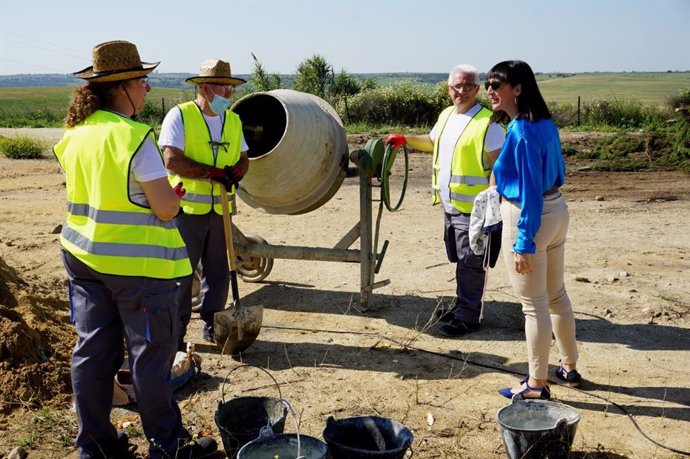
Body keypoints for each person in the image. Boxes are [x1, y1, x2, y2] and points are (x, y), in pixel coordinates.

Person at [54, 40, 217, 458]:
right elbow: (165, 207)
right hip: (139, 269)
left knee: (92, 353)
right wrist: (173, 198)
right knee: (150, 359)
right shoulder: (133, 138)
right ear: (122, 87)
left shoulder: (75, 133)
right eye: (142, 81)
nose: (147, 88)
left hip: (84, 260)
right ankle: (168, 445)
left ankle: (96, 446)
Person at [485, 60, 582, 399]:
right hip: (557, 210)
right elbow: (557, 171)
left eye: (497, 84)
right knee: (556, 295)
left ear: (518, 88)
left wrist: (523, 241)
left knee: (534, 304)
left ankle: (536, 384)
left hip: (530, 216)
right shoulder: (545, 125)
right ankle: (568, 366)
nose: (491, 91)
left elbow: (528, 192)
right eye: (489, 84)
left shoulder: (522, 132)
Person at [385, 64, 505, 337]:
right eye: (456, 86)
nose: (461, 91)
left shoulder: (490, 123)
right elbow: (431, 141)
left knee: (471, 262)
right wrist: (405, 139)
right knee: (460, 258)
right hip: (451, 206)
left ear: (476, 89)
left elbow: (500, 165)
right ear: (449, 89)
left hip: (475, 209)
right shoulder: (447, 116)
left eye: (467, 86)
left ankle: (468, 316)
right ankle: (462, 305)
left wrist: (492, 207)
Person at [159, 59, 249, 348]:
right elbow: (171, 159)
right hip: (186, 209)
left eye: (231, 88)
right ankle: (176, 332)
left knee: (219, 271)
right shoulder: (180, 116)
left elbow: (243, 158)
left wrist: (237, 172)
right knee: (183, 273)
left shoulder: (233, 120)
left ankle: (213, 326)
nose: (229, 94)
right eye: (225, 88)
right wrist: (211, 173)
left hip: (220, 210)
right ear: (206, 89)